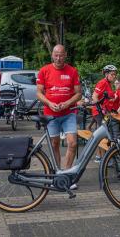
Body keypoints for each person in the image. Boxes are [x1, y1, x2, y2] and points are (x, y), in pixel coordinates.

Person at [36, 45, 82, 187]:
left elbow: (78, 93)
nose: (58, 58)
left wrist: (67, 103)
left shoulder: (72, 71)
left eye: (61, 55)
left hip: (68, 113)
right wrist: (49, 103)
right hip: (51, 114)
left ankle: (66, 175)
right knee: (54, 144)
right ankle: (57, 173)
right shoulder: (44, 70)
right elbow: (39, 93)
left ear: (65, 55)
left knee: (73, 143)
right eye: (56, 55)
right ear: (52, 55)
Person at [91, 65, 120, 163]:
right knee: (104, 135)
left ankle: (101, 157)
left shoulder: (108, 84)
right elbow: (94, 96)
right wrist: (101, 109)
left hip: (104, 113)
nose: (114, 76)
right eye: (112, 74)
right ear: (106, 74)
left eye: (115, 75)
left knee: (105, 134)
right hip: (99, 113)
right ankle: (103, 158)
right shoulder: (102, 83)